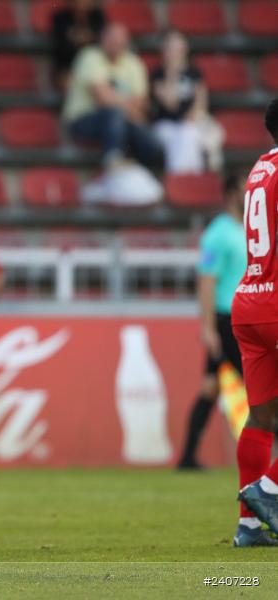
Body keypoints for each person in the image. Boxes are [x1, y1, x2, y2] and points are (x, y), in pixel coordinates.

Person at [176, 175, 246, 471]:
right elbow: (206, 281)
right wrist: (207, 327)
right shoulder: (218, 234)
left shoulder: (251, 228)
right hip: (225, 320)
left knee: (210, 387)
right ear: (232, 194)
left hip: (242, 316)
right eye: (245, 188)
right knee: (261, 386)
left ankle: (187, 458)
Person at [232, 97, 278, 548]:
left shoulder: (260, 167)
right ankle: (268, 493)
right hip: (277, 303)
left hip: (249, 299)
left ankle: (248, 526)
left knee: (262, 416)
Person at [63, 22, 162, 171]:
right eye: (112, 41)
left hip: (124, 120)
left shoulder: (133, 62)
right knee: (114, 114)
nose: (116, 45)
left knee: (151, 143)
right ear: (103, 39)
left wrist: (121, 103)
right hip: (83, 120)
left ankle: (147, 176)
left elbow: (141, 101)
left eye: (120, 42)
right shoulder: (89, 56)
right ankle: (113, 160)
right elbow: (102, 98)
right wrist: (128, 106)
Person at [150, 30, 221, 174]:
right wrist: (172, 73)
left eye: (178, 48)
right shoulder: (158, 73)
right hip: (165, 124)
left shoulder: (194, 72)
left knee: (189, 133)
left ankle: (183, 180)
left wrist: (191, 116)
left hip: (189, 123)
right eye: (171, 48)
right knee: (181, 137)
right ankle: (183, 181)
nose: (175, 53)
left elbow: (201, 101)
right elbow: (169, 103)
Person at [51, 0, 106, 90]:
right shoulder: (60, 16)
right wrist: (87, 37)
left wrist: (80, 37)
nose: (83, 3)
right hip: (69, 64)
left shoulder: (98, 15)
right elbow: (62, 44)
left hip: (95, 64)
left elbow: (102, 38)